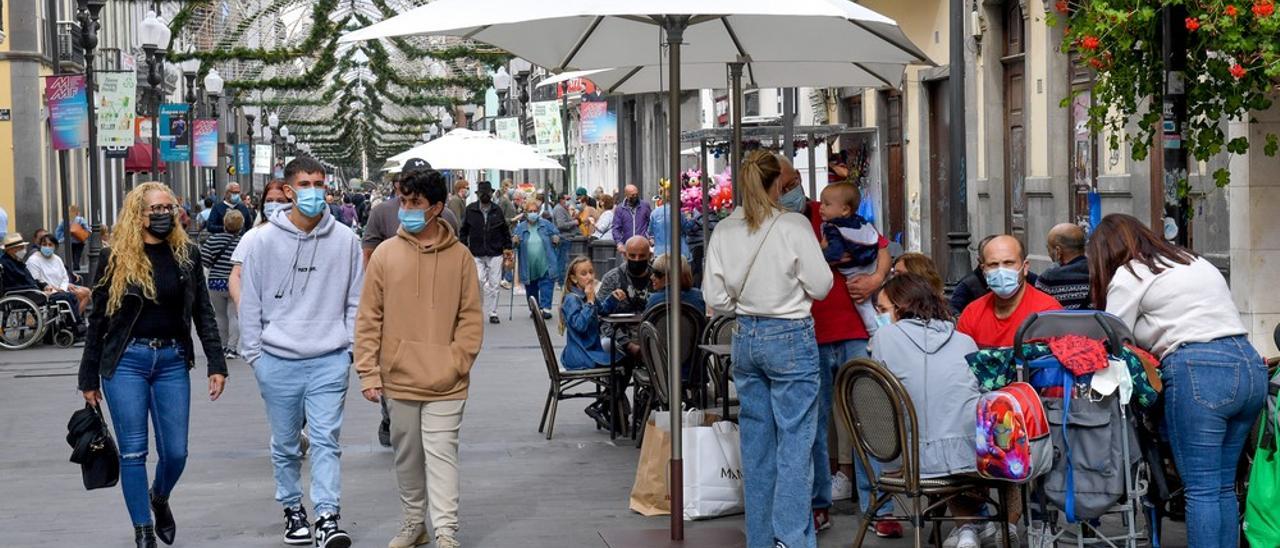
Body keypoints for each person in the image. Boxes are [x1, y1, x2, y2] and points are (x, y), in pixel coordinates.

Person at [1089, 213, 1265, 548]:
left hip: (1199, 371)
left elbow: (1110, 335)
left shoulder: (1131, 272)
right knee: (1223, 486)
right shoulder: (1191, 260)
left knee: (1200, 490)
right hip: (1248, 363)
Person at [76, 182, 227, 548]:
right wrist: (88, 376)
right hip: (126, 361)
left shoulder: (186, 254)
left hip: (173, 360)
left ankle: (159, 497)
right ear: (137, 214)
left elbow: (203, 312)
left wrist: (216, 363)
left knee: (176, 452)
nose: (163, 215)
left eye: (168, 208)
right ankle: (143, 530)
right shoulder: (116, 257)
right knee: (133, 451)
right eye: (155, 209)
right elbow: (97, 320)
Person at [703, 149, 832, 548]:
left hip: (745, 336)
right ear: (778, 183)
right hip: (790, 336)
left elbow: (715, 296)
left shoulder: (725, 229)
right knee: (796, 445)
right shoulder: (793, 225)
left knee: (757, 447)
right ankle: (791, 540)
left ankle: (760, 539)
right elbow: (822, 285)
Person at [238, 157, 363, 548]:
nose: (314, 191)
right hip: (277, 359)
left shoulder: (346, 241)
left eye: (319, 183)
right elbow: (250, 302)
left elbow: (356, 300)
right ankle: (293, 508)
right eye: (306, 183)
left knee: (326, 439)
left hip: (329, 357)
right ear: (289, 190)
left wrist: (349, 348)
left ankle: (327, 515)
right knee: (286, 443)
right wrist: (256, 356)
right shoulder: (261, 241)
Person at [355, 168, 482, 548]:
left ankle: (446, 530)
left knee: (442, 454)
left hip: (448, 379)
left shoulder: (461, 258)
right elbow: (368, 317)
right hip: (399, 377)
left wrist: (456, 361)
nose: (406, 209)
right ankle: (414, 523)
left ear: (437, 208)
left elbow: (471, 318)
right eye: (403, 201)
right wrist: (368, 372)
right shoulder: (384, 255)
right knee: (407, 456)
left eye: (415, 203)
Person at [779, 164, 896, 536]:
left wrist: (877, 278)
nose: (785, 192)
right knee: (812, 425)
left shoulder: (828, 211)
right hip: (806, 334)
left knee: (869, 417)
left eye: (788, 184)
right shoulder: (773, 224)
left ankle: (878, 505)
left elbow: (882, 247)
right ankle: (817, 505)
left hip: (852, 332)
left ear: (796, 182)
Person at [870, 273, 1004, 548]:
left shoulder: (884, 337)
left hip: (909, 458)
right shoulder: (964, 341)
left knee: (935, 435)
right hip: (973, 459)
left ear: (901, 305)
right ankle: (972, 526)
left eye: (883, 310)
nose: (878, 317)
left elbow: (877, 402)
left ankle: (969, 528)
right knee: (954, 434)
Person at [956, 235, 1062, 348]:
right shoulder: (972, 314)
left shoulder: (1048, 313)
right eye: (993, 264)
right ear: (983, 270)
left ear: (1025, 267)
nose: (1001, 271)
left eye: (1009, 263)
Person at [364, 159, 460, 265]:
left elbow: (454, 254)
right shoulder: (380, 212)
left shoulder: (447, 216)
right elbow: (368, 254)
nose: (408, 208)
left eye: (416, 202)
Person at [818, 182, 883, 335]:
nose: (821, 207)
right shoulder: (860, 221)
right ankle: (885, 331)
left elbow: (835, 254)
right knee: (876, 305)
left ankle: (875, 334)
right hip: (870, 265)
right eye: (821, 203)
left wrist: (819, 253)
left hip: (855, 274)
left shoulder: (833, 228)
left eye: (826, 204)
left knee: (864, 306)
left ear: (845, 209)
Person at [458, 180, 512, 325]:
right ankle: (478, 310)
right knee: (478, 281)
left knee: (495, 283)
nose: (485, 196)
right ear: (478, 195)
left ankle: (493, 312)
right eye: (482, 193)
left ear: (491, 194)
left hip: (495, 252)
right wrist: (463, 246)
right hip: (476, 252)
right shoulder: (471, 210)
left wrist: (508, 247)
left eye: (487, 193)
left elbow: (504, 230)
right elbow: (464, 231)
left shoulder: (497, 210)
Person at [0, 233, 84, 323]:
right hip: (26, 295)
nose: (23, 250)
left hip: (32, 293)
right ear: (11, 250)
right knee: (65, 297)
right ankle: (75, 326)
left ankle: (71, 325)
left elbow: (31, 280)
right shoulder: (7, 264)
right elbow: (17, 285)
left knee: (70, 296)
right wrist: (41, 292)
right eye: (20, 247)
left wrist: (44, 286)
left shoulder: (17, 261)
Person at [596, 235, 655, 359]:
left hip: (651, 336)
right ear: (625, 255)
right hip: (618, 338)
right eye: (632, 256)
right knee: (606, 345)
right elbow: (599, 316)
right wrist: (626, 343)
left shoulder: (657, 278)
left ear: (649, 256)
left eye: (642, 256)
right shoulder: (612, 278)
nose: (637, 260)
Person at [200, 210, 243, 361]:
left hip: (216, 282)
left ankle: (223, 346)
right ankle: (232, 348)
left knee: (219, 316)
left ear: (224, 223)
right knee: (234, 316)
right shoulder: (243, 241)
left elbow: (204, 261)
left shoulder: (213, 240)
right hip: (236, 283)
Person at [558, 256, 611, 371]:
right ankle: (613, 389)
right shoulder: (571, 299)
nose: (590, 277)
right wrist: (590, 302)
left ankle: (611, 389)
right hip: (581, 355)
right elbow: (580, 325)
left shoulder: (587, 295)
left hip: (591, 350)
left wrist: (613, 299)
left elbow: (602, 310)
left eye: (591, 272)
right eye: (584, 274)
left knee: (620, 351)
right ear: (574, 278)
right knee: (624, 359)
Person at [513, 200, 560, 319]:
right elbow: (514, 242)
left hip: (545, 262)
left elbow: (556, 234)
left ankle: (546, 308)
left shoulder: (545, 224)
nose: (533, 213)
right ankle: (534, 308)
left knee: (547, 284)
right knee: (531, 287)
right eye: (530, 211)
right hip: (529, 264)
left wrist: (556, 238)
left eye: (535, 211)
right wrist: (515, 241)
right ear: (525, 213)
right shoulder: (520, 227)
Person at [26, 233, 92, 314]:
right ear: (40, 245)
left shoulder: (57, 259)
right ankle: (74, 318)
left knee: (86, 292)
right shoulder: (33, 260)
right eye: (44, 244)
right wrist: (56, 289)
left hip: (62, 288)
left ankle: (76, 316)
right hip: (48, 291)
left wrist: (63, 287)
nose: (47, 247)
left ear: (55, 246)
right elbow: (37, 280)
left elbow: (64, 276)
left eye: (50, 245)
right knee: (78, 295)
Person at [1035, 222, 1092, 310]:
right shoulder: (1099, 271)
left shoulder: (1049, 278)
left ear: (1058, 251)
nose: (1049, 253)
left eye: (1048, 248)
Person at [610, 184, 653, 253]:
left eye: (636, 194)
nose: (635, 197)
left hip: (642, 244)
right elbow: (616, 228)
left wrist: (650, 237)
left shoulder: (645, 206)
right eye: (632, 195)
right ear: (626, 195)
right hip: (627, 246)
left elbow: (651, 222)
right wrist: (619, 243)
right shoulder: (620, 209)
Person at [551, 192, 578, 284]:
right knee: (562, 261)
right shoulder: (559, 209)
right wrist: (574, 222)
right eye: (567, 199)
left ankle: (561, 280)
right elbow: (561, 224)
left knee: (562, 260)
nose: (568, 201)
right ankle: (561, 281)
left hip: (565, 238)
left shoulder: (562, 209)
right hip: (564, 238)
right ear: (561, 200)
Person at [55, 204, 90, 270]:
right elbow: (87, 229)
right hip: (80, 242)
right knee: (77, 257)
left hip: (70, 242)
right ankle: (77, 269)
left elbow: (59, 230)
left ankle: (72, 269)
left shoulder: (65, 221)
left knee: (71, 257)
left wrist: (60, 239)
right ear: (77, 212)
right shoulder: (81, 220)